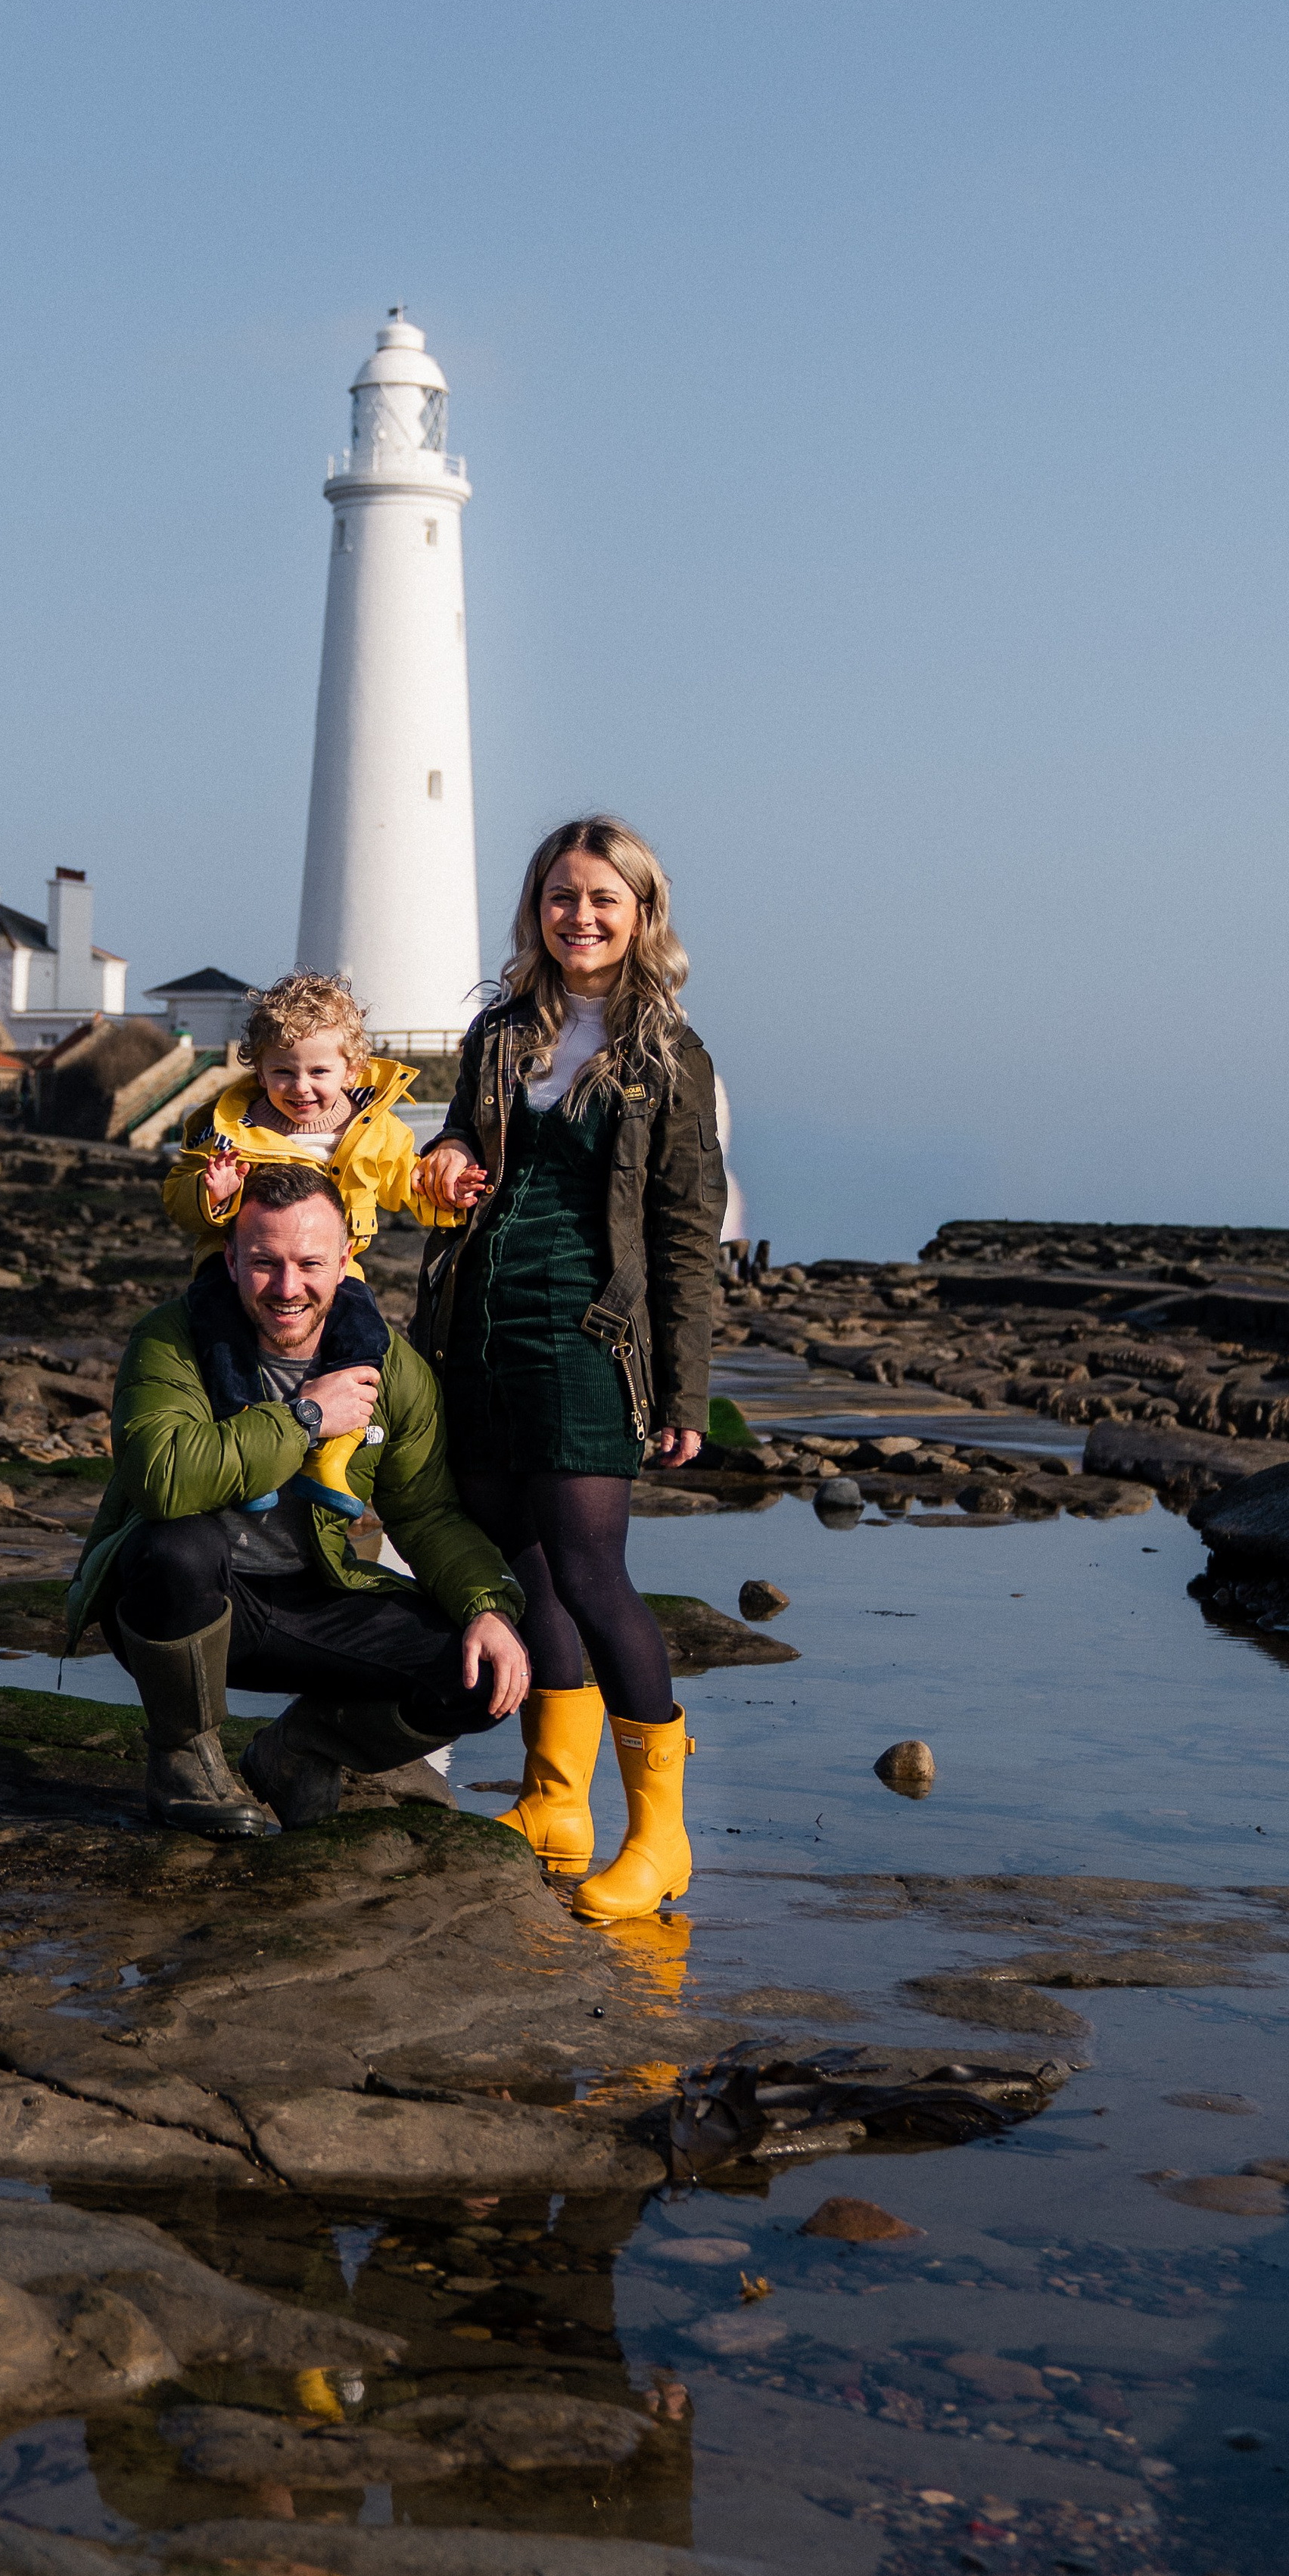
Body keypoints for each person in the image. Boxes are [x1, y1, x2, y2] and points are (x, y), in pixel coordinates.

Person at [418, 816, 727, 1923]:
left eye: (603, 898)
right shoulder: (501, 1030)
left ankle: (662, 1837)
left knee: (594, 1576)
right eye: (561, 895)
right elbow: (457, 1140)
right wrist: (446, 1158)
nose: (580, 916)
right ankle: (556, 1800)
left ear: (643, 914)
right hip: (480, 1328)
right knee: (525, 1568)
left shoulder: (670, 1055)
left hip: (592, 1338)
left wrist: (688, 1391)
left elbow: (690, 1234)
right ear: (536, 908)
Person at [67, 1160, 530, 1836]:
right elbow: (164, 1478)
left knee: (483, 1674)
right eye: (265, 1262)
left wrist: (487, 1607)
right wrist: (305, 1418)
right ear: (229, 1259)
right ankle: (183, 1760)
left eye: (310, 1263)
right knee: (176, 1546)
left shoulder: (389, 1366)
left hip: (312, 1597)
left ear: (346, 1260)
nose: (288, 1288)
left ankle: (301, 1750)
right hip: (188, 1599)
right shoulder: (172, 1339)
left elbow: (427, 1513)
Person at [163, 969, 459, 1278]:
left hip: (333, 1269)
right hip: (240, 1265)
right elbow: (176, 1195)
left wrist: (452, 1194)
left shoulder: (374, 1130)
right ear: (260, 1073)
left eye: (318, 1072)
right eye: (283, 1073)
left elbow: (409, 1182)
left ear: (351, 1072)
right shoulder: (232, 1129)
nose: (301, 1087)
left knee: (363, 1326)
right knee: (212, 1315)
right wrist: (211, 1195)